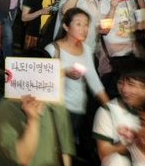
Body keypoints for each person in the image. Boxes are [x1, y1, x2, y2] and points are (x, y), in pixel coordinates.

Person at [0, 78, 75, 166]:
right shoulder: (6, 108)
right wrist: (33, 120)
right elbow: (22, 157)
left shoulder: (57, 103)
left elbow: (65, 142)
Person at [45, 8, 110, 142]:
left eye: (86, 24)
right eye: (78, 24)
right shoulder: (52, 49)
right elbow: (41, 80)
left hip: (78, 109)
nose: (84, 29)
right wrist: (64, 72)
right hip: (58, 110)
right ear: (66, 26)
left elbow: (94, 81)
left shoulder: (86, 49)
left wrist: (110, 108)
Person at [93, 58, 145, 161]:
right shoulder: (108, 111)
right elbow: (104, 154)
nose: (124, 89)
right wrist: (135, 143)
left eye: (131, 84)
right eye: (120, 82)